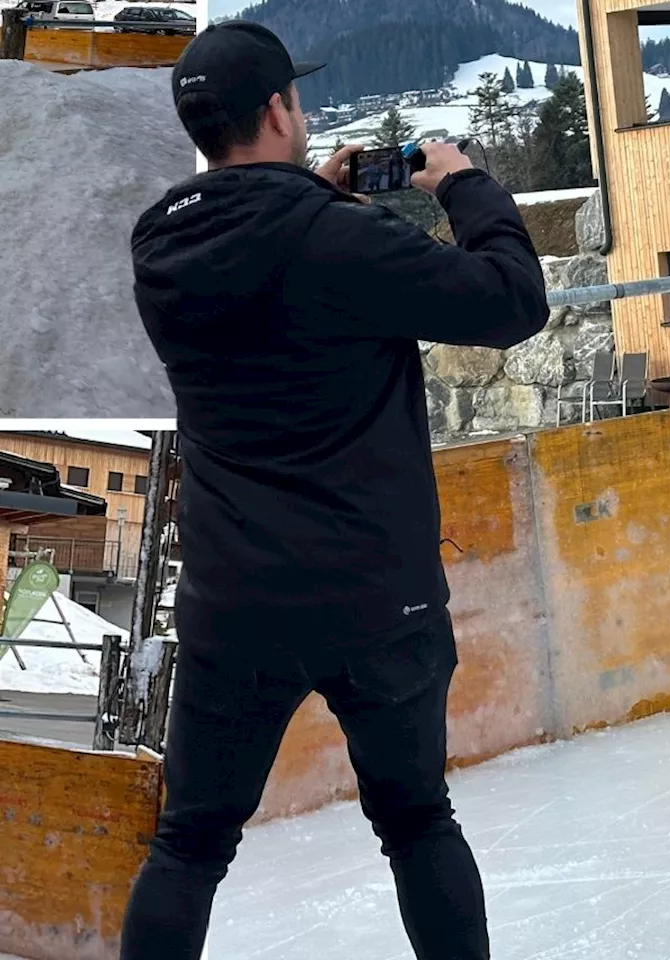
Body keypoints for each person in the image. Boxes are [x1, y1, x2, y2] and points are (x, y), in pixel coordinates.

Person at [122, 20, 549, 959]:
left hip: (235, 601)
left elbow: (255, 253)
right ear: (280, 109)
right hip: (373, 598)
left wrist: (299, 190)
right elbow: (511, 301)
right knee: (416, 822)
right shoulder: (341, 241)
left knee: (189, 845)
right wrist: (460, 183)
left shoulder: (159, 249)